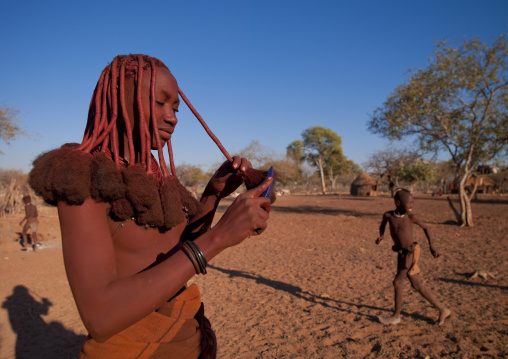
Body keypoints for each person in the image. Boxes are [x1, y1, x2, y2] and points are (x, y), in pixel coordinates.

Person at [29, 54, 273, 358]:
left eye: (176, 107)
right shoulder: (82, 176)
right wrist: (218, 237)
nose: (173, 117)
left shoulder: (153, 173)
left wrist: (213, 195)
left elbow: (175, 252)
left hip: (187, 338)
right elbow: (100, 316)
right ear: (119, 99)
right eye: (160, 103)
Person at [375, 189, 451, 325]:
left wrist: (431, 245)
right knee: (416, 284)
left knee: (397, 282)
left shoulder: (411, 217)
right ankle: (443, 309)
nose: (412, 205)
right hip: (401, 253)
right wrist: (381, 235)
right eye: (409, 203)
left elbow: (426, 228)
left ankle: (396, 316)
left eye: (413, 203)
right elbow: (382, 225)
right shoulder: (388, 215)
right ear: (398, 203)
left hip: (411, 252)